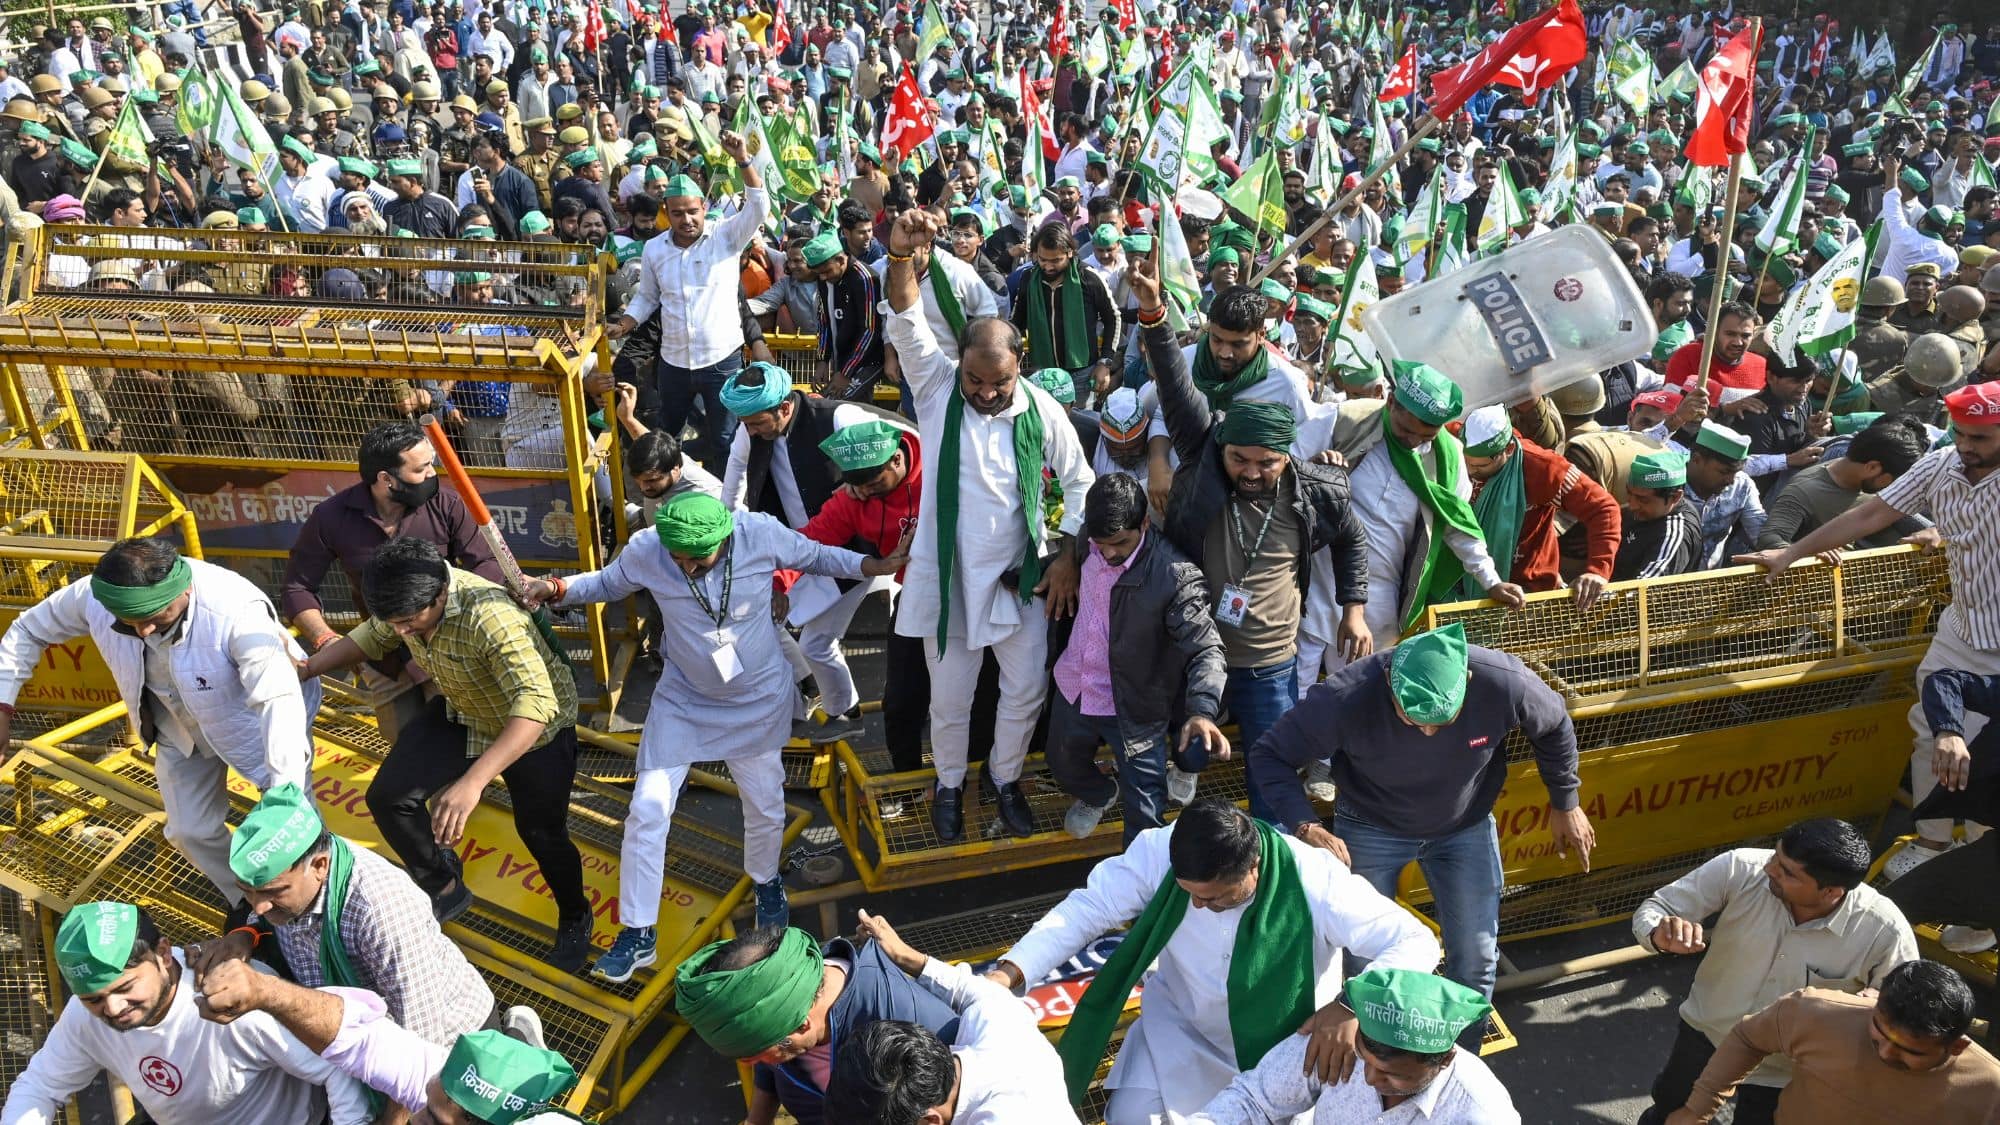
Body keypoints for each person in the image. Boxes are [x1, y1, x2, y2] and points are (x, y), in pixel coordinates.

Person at [521, 493, 909, 981]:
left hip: (756, 697)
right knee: (646, 809)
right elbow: (606, 583)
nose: (684, 567)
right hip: (684, 699)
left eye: (696, 559)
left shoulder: (758, 532)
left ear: (724, 540)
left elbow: (816, 555)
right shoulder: (648, 548)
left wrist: (878, 563)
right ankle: (639, 933)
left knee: (765, 801)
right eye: (677, 559)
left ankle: (767, 882)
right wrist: (554, 588)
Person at [984, 800, 1441, 1124]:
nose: (1198, 907)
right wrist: (1010, 971)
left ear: (1253, 867)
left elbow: (1416, 940)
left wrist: (1349, 1004)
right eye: (1189, 895)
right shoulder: (1160, 850)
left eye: (1215, 898)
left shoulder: (1316, 880)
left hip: (1283, 1055)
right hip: (1181, 1034)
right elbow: (1089, 908)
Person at [1250, 622, 1592, 1038]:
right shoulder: (1343, 697)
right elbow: (1269, 755)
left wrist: (1565, 801)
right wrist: (1306, 825)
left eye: (1440, 722)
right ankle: (1371, 1066)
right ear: (1389, 682)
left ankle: (1459, 1066)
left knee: (1477, 957)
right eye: (1411, 719)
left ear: (1467, 680)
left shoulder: (1505, 681)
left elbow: (1555, 725)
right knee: (1367, 960)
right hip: (1369, 825)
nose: (1427, 731)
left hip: (1463, 826)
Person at [1127, 254, 1372, 818]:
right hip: (1199, 649)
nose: (1254, 472)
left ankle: (1267, 852)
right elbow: (1172, 380)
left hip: (1271, 663)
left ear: (1289, 453)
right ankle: (1184, 773)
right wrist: (1153, 312)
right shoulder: (1205, 461)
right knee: (1191, 743)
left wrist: (1352, 610)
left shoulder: (1317, 491)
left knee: (1270, 762)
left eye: (1268, 462)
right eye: (1241, 460)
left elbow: (1351, 540)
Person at [880, 209, 1094, 843]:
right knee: (949, 700)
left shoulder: (1042, 409)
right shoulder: (940, 384)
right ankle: (948, 784)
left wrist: (1065, 556)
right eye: (975, 380)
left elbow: (1079, 481)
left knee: (1025, 691)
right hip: (945, 581)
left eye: (997, 382)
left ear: (1017, 367)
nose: (985, 393)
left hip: (1017, 581)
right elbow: (907, 320)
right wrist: (898, 255)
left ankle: (1004, 780)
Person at [1737, 382, 2000, 879]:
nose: (1966, 446)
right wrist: (1792, 553)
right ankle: (1933, 843)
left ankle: (1982, 872)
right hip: (1962, 630)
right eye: (1961, 434)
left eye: (1981, 439)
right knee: (1933, 732)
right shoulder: (1943, 463)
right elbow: (1873, 512)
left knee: (1989, 757)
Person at [297, 537, 591, 971]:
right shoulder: (405, 603)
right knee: (388, 797)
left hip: (533, 731)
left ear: (440, 595)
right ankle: (442, 884)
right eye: (393, 622)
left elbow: (536, 707)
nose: (400, 633)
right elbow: (370, 637)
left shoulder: (492, 617)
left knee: (542, 833)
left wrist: (473, 783)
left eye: (409, 622)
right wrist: (305, 670)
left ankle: (575, 914)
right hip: (463, 709)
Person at [0, 538, 318, 903]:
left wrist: (285, 792)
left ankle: (318, 913)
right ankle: (252, 904)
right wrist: (2, 704)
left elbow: (278, 702)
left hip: (253, 723)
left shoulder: (233, 608)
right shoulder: (95, 595)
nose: (144, 632)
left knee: (297, 833)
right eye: (128, 624)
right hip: (177, 726)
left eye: (156, 617)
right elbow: (27, 630)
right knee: (189, 831)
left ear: (183, 589)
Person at [1632, 819, 1919, 1125]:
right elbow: (1656, 908)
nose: (1770, 868)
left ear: (1831, 891)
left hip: (1786, 1071)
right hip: (1706, 1034)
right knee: (1670, 1111)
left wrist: (1874, 1010)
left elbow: (1904, 1010)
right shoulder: (1740, 867)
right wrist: (1658, 934)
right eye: (1775, 856)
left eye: (1787, 871)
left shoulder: (1885, 931)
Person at [0, 901, 369, 1125]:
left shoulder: (239, 1001)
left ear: (163, 954)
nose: (112, 1010)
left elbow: (336, 1070)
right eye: (93, 999)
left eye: (125, 988)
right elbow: (40, 1087)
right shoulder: (88, 1019)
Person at [195, 782, 495, 1050]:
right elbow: (261, 916)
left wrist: (393, 1115)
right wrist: (245, 935)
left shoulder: (382, 909)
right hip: (359, 1030)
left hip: (457, 1045)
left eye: (274, 892)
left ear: (320, 865)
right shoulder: (291, 887)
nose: (258, 906)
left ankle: (517, 1037)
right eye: (248, 892)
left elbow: (420, 1042)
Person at [717, 361, 907, 735]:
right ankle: (828, 706)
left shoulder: (838, 418)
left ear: (784, 408)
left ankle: (845, 713)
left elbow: (902, 444)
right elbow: (733, 490)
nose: (750, 431)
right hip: (803, 547)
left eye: (756, 423)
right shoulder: (750, 432)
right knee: (797, 631)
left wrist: (859, 487)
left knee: (817, 642)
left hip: (853, 550)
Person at [279, 421, 507, 723]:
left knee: (461, 743)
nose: (431, 474)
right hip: (383, 660)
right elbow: (297, 588)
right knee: (405, 751)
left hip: (449, 652)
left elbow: (489, 564)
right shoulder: (331, 517)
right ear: (386, 479)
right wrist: (325, 640)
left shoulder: (447, 504)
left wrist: (452, 615)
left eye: (431, 464)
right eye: (421, 469)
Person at [1046, 473, 1231, 843]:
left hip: (1133, 706)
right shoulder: (1088, 542)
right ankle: (1099, 794)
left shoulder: (1175, 576)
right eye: (1101, 543)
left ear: (1144, 523)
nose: (1109, 553)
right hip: (1075, 687)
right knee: (1062, 764)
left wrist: (1201, 710)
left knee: (1146, 816)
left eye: (1120, 543)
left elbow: (1207, 647)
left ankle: (1143, 889)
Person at [187, 956, 580, 1124]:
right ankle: (518, 1043)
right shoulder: (446, 1086)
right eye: (428, 1102)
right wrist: (266, 992)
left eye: (435, 1120)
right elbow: (357, 1039)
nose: (417, 1116)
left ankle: (520, 1044)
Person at [673, 925, 961, 1125]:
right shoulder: (787, 996)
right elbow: (769, 1063)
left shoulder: (914, 1026)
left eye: (754, 1055)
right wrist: (756, 1120)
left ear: (801, 1026)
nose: (750, 1065)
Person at [1663, 961, 2000, 1124]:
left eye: (1909, 1052)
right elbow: (1748, 1037)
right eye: (1878, 1033)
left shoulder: (1990, 1089)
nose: (1885, 1053)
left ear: (1957, 1047)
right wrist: (1697, 1109)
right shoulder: (1816, 1011)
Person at [827, 911, 1082, 1125]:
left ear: (930, 1121)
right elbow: (981, 992)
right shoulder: (1000, 1027)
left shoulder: (1006, 1117)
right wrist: (905, 956)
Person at [608, 133, 765, 469]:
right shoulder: (654, 249)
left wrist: (742, 159)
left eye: (692, 212)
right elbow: (648, 298)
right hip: (674, 365)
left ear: (703, 209)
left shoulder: (725, 236)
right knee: (669, 438)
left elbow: (759, 205)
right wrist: (623, 325)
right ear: (667, 212)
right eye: (678, 213)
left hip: (721, 361)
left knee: (726, 439)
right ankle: (673, 499)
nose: (687, 219)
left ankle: (730, 507)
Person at [1191, 968, 1520, 1124]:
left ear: (1444, 1059)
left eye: (1394, 1076)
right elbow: (1254, 1101)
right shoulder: (1338, 1043)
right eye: (1365, 1060)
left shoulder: (1481, 1114)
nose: (1371, 1079)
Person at [1885, 666, 2000, 954]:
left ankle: (1983, 923)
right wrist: (1948, 729)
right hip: (1992, 860)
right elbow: (1946, 681)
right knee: (1889, 910)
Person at [1458, 405, 1620, 609]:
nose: (1471, 471)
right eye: (1466, 463)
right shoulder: (1453, 441)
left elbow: (1603, 508)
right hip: (1458, 582)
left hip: (1526, 595)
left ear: (1508, 450)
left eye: (1481, 467)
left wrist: (1597, 570)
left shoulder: (1543, 468)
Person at [1009, 222, 1121, 405]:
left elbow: (1113, 319)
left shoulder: (1089, 278)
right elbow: (1017, 322)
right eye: (1043, 260)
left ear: (1070, 253)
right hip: (1042, 374)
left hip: (1081, 375)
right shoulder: (1028, 279)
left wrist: (1105, 363)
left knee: (1078, 425)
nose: (1048, 267)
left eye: (1055, 261)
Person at [1614, 450, 1703, 579]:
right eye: (1629, 494)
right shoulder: (1645, 512)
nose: (1632, 505)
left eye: (1643, 500)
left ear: (1675, 497)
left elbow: (1643, 589)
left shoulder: (1673, 534)